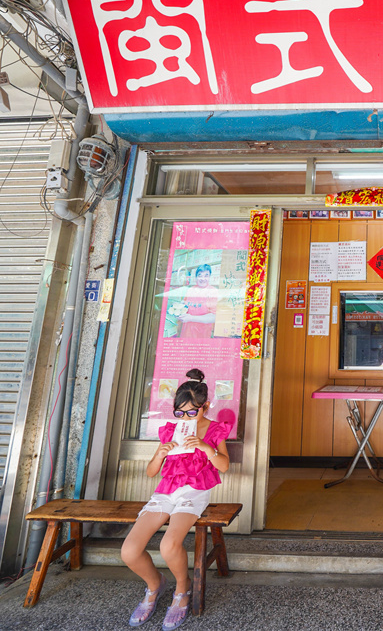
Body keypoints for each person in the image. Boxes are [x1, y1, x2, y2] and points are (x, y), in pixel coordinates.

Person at [120, 369, 230, 630]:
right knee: (129, 551)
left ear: (206, 406)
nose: (185, 417)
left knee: (169, 546)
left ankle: (182, 589)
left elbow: (224, 466)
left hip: (194, 492)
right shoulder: (170, 430)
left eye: (192, 412)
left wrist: (207, 447)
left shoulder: (215, 430)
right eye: (179, 412)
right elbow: (150, 472)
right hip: (166, 491)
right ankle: (155, 585)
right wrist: (160, 453)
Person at [177, 265, 217, 339]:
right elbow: (184, 302)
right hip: (186, 331)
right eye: (200, 275)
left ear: (209, 277)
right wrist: (177, 307)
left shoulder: (213, 291)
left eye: (206, 275)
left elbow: (214, 317)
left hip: (202, 334)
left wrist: (191, 318)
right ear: (196, 277)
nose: (203, 279)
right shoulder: (190, 289)